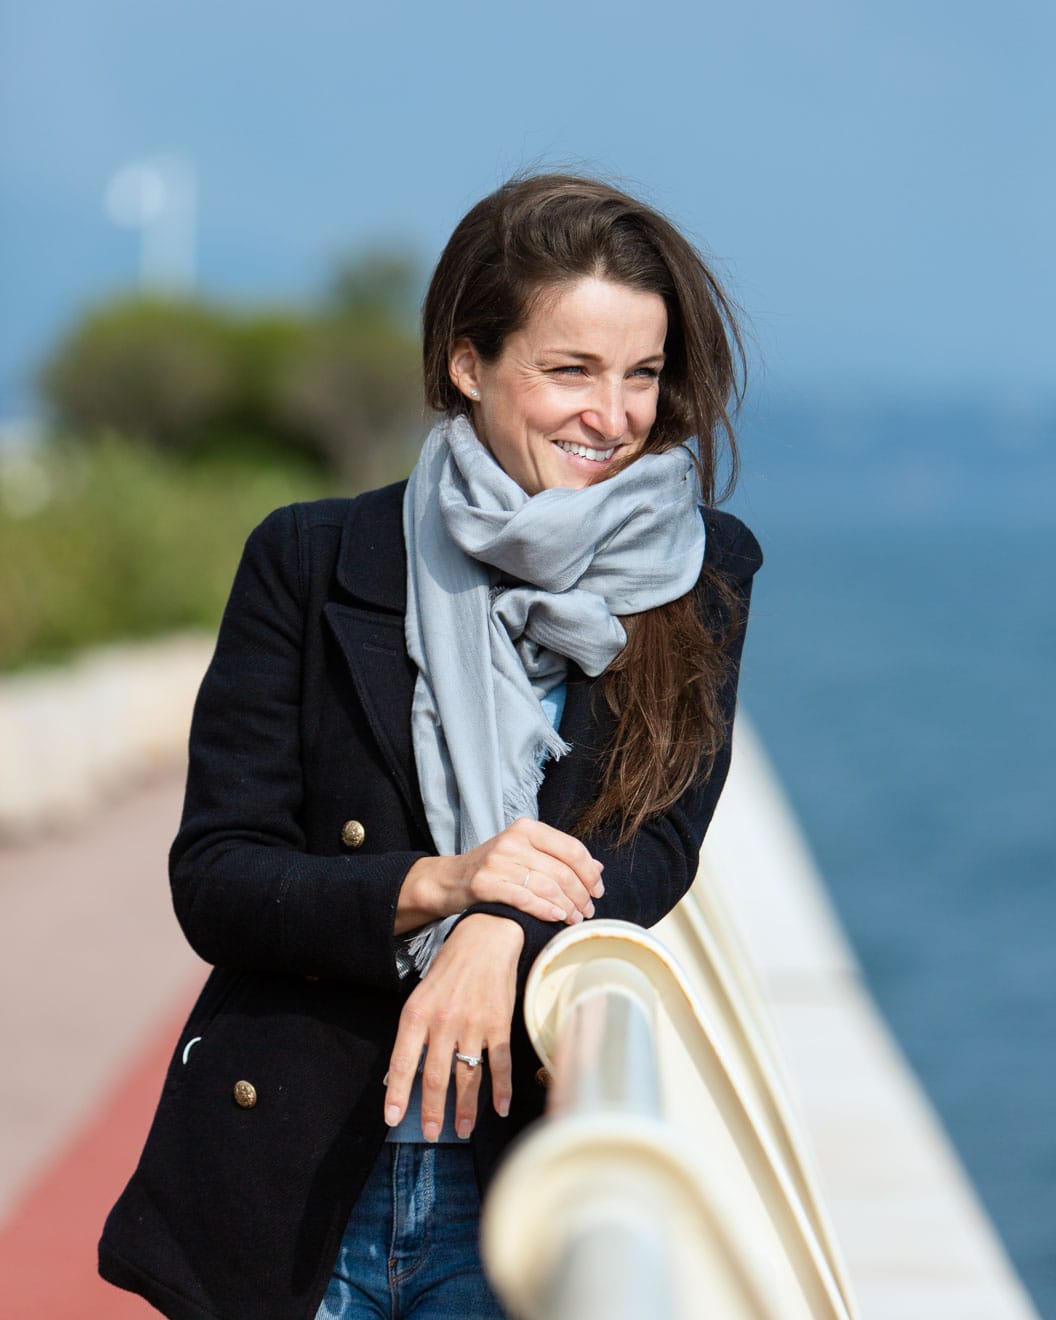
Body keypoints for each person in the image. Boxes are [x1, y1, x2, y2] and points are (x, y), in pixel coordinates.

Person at [99, 172, 762, 1320]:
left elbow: (657, 842)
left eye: (642, 374)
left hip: (520, 1179)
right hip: (303, 1166)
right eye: (570, 370)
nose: (613, 416)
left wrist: (497, 930)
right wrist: (439, 885)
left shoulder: (699, 574)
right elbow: (217, 877)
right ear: (468, 363)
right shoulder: (312, 560)